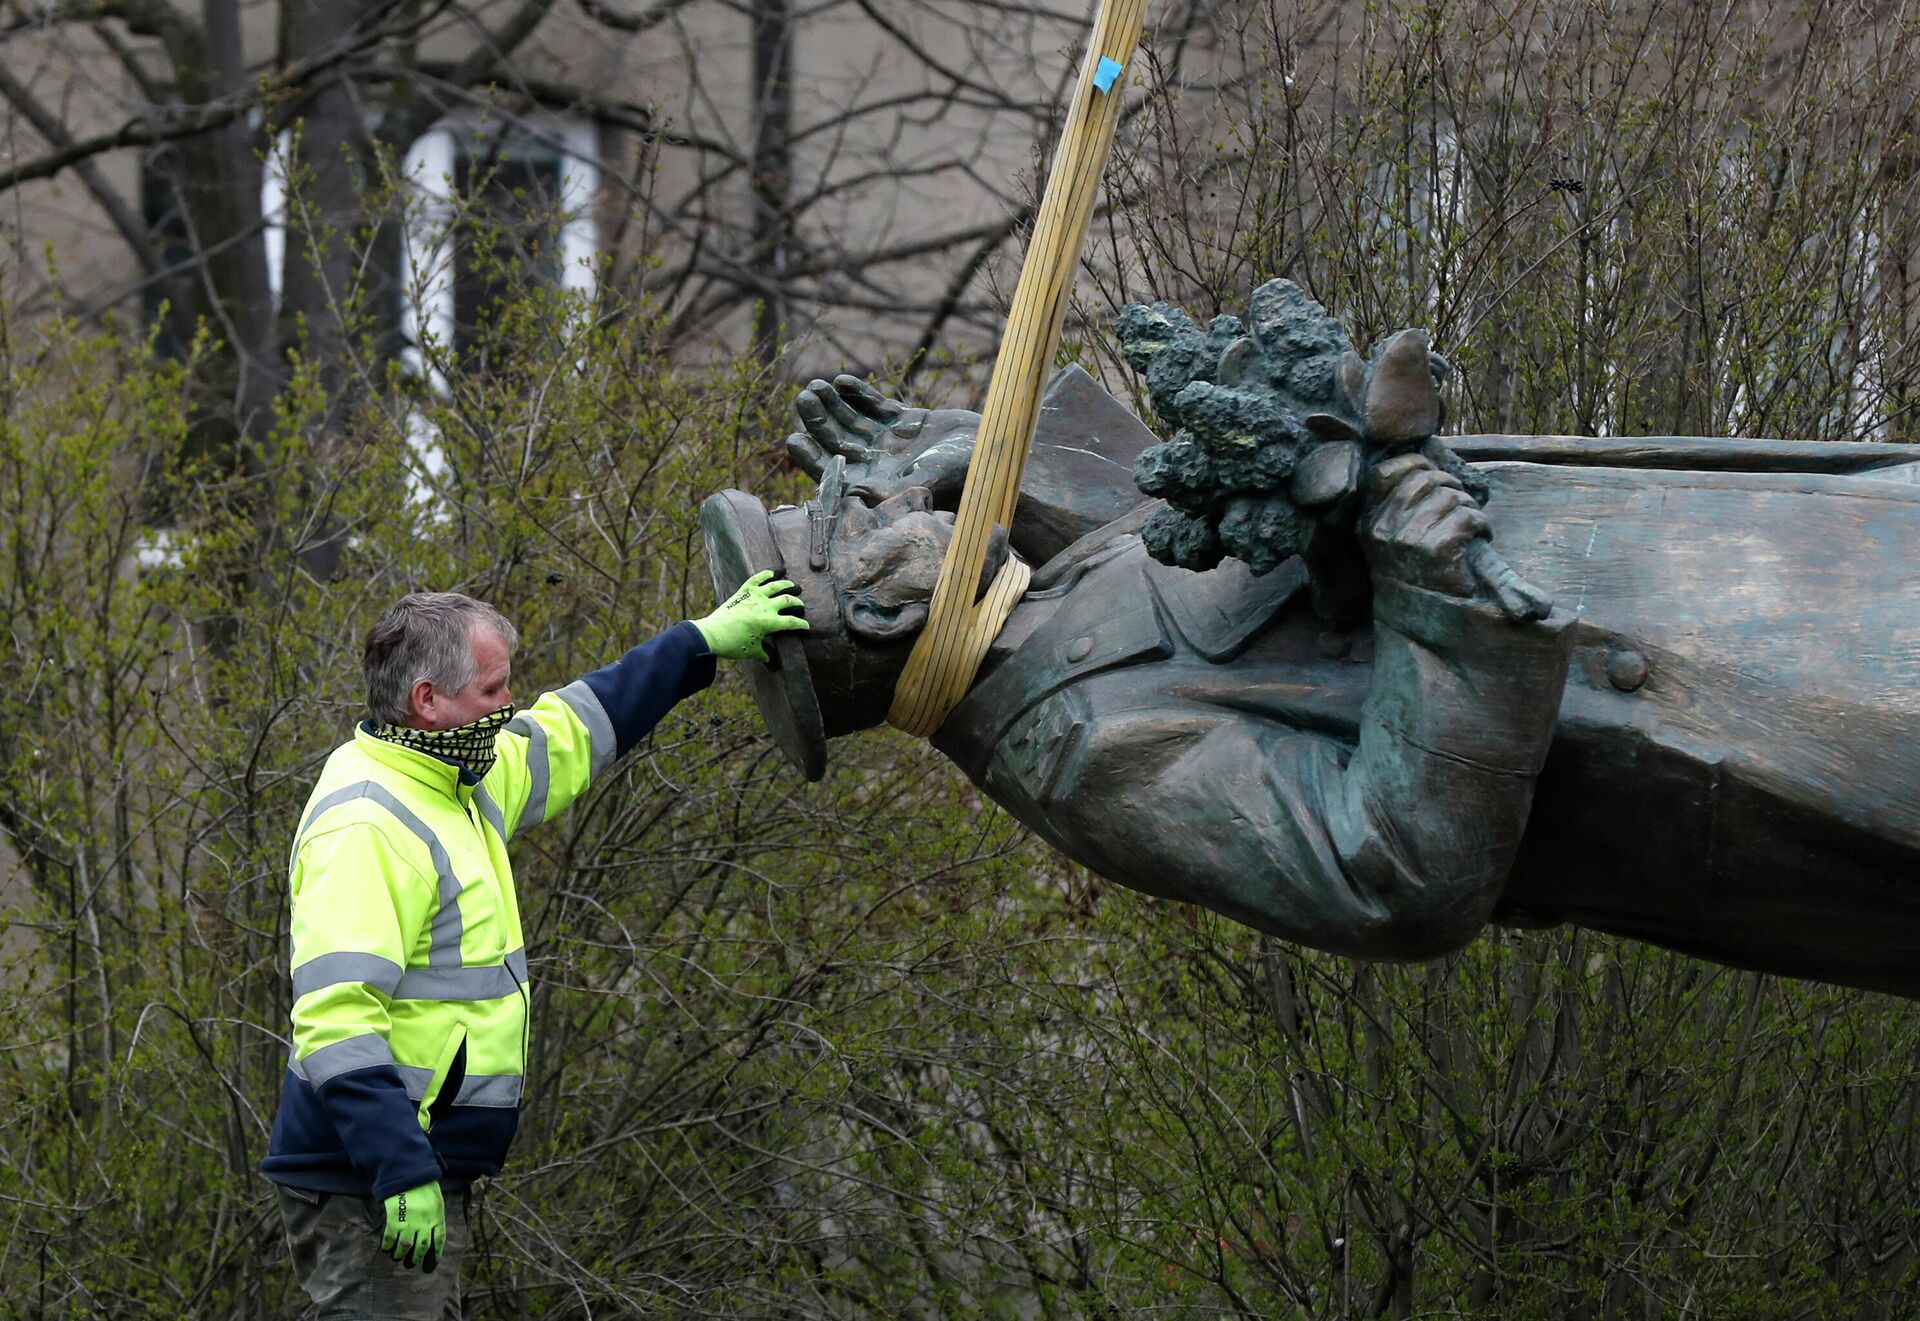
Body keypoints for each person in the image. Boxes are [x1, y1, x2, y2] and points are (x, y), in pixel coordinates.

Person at [701, 348, 1920, 998]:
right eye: (845, 520)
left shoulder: (1034, 596)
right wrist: (1438, 604)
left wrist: (997, 456)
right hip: (1739, 700)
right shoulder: (1079, 753)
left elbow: (1167, 522)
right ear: (872, 603)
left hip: (1735, 549)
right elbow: (1391, 871)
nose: (875, 492)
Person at [262, 576, 806, 1316]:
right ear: (429, 699)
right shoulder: (368, 823)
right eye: (493, 688)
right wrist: (400, 1169)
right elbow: (336, 1018)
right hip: (369, 1180)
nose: (508, 704)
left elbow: (574, 727)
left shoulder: (458, 775)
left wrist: (699, 641)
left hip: (410, 1166)